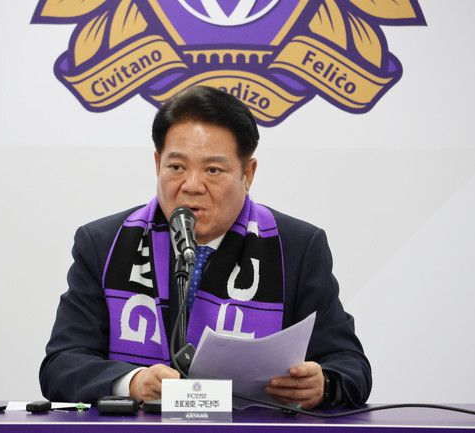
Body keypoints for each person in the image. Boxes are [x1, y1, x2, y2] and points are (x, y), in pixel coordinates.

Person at [39, 86, 371, 409]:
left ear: (248, 173)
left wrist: (324, 384)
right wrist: (132, 381)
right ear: (157, 164)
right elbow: (62, 364)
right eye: (176, 167)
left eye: (213, 170)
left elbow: (350, 364)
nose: (192, 185)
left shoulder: (296, 247)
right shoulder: (104, 243)